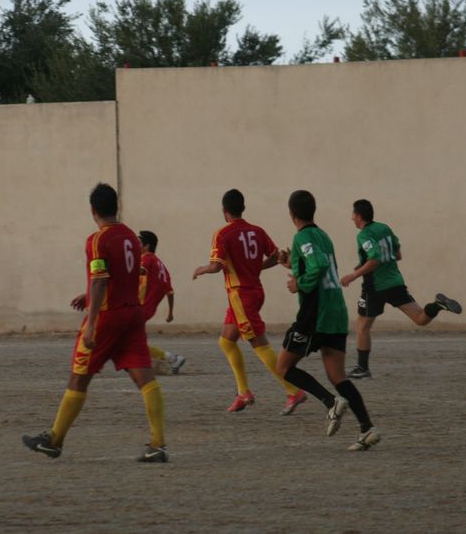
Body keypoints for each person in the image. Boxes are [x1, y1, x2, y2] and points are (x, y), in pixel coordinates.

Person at [23, 183, 168, 462]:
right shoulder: (130, 236)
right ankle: (158, 445)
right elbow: (124, 274)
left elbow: (101, 279)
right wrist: (88, 293)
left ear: (93, 210)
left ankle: (54, 440)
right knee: (145, 378)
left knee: (79, 377)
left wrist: (90, 323)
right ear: (116, 206)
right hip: (132, 314)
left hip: (107, 316)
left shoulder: (97, 240)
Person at [275, 190, 380, 450]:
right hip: (336, 311)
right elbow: (318, 264)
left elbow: (319, 265)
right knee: (337, 376)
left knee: (284, 367)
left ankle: (330, 402)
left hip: (316, 313)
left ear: (292, 213)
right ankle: (367, 429)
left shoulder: (302, 237)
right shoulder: (323, 235)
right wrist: (292, 264)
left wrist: (298, 283)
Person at [193, 188, 308, 415]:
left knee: (260, 345)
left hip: (240, 295)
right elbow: (276, 257)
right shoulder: (257, 231)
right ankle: (243, 393)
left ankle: (293, 390)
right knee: (226, 341)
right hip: (254, 291)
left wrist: (202, 269)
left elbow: (216, 266)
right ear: (243, 208)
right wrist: (255, 267)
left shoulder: (222, 234)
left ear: (224, 210)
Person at [339, 200, 462, 379]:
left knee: (362, 326)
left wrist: (353, 275)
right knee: (420, 318)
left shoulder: (364, 235)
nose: (351, 218)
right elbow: (397, 254)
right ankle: (437, 305)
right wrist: (364, 263)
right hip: (395, 282)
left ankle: (362, 368)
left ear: (358, 216)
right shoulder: (384, 228)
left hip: (375, 287)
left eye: (353, 215)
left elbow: (375, 259)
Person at [138, 230, 185, 374]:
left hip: (139, 307)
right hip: (147, 309)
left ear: (146, 246)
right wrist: (170, 312)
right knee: (132, 341)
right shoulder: (161, 266)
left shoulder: (146, 258)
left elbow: (139, 272)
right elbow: (170, 292)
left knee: (128, 342)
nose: (135, 246)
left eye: (138, 243)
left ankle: (171, 358)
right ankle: (170, 359)